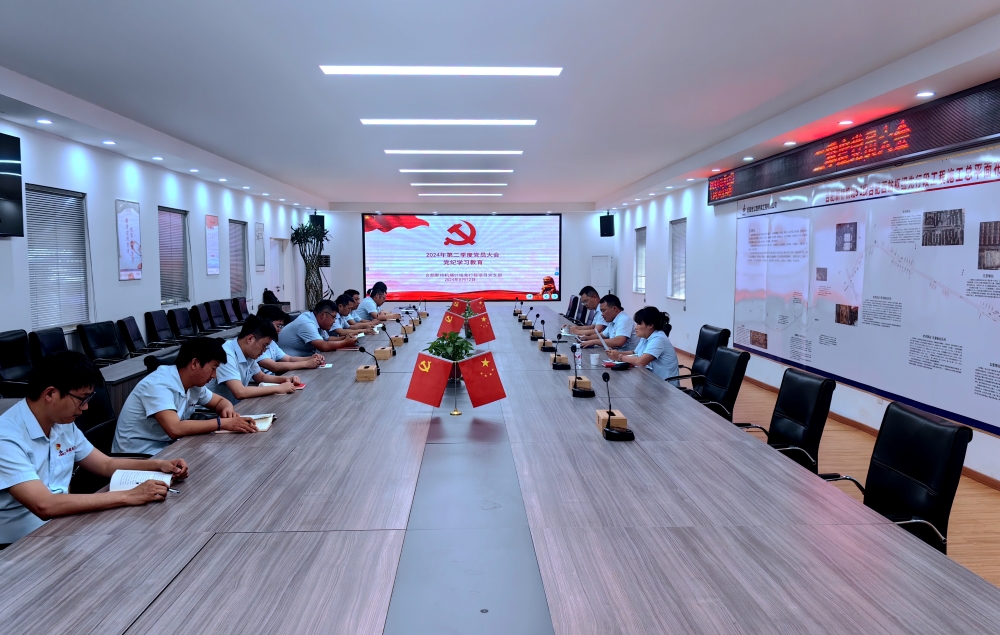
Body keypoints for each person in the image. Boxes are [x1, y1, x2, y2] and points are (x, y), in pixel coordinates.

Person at [0, 352, 188, 546]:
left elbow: (105, 464)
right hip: (19, 544)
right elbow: (44, 505)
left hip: (61, 524)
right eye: (81, 399)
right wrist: (130, 495)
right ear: (50, 394)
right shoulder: (6, 437)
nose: (86, 407)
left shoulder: (62, 423)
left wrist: (158, 465)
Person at [113, 338, 258, 455]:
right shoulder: (158, 385)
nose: (214, 375)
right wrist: (222, 423)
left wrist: (228, 411)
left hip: (167, 448)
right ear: (195, 363)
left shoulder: (194, 384)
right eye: (213, 368)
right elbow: (175, 429)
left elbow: (220, 401)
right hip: (139, 455)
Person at [209, 316, 303, 400]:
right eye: (264, 345)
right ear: (250, 339)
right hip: (218, 411)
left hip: (240, 405)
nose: (264, 350)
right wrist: (278, 388)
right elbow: (240, 392)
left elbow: (261, 377)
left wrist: (286, 379)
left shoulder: (247, 352)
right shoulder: (227, 354)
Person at [607, 307, 680, 385]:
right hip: (651, 379)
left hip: (665, 385)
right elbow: (634, 352)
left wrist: (619, 357)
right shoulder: (646, 336)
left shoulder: (658, 339)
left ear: (650, 325)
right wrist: (616, 353)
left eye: (639, 324)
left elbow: (641, 362)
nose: (635, 327)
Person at [255, 305, 325, 374]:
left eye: (281, 326)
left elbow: (288, 359)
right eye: (278, 326)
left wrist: (311, 358)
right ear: (266, 323)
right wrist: (306, 363)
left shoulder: (272, 342)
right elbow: (274, 366)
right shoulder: (256, 343)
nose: (279, 330)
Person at [277, 299, 358, 357]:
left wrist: (345, 337)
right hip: (289, 366)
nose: (334, 321)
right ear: (323, 315)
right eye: (333, 317)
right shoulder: (306, 323)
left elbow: (327, 339)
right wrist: (345, 342)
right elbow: (324, 346)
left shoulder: (316, 321)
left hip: (305, 359)